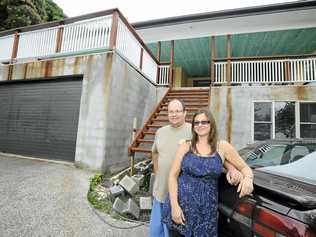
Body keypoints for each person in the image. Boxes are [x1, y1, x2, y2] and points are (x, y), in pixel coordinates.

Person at [149, 100, 243, 237]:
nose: (174, 114)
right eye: (171, 111)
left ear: (185, 113)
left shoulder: (195, 130)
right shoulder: (160, 132)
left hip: (182, 194)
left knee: (176, 230)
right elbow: (155, 153)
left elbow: (215, 153)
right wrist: (157, 173)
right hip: (161, 190)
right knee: (156, 231)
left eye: (177, 111)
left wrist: (231, 168)